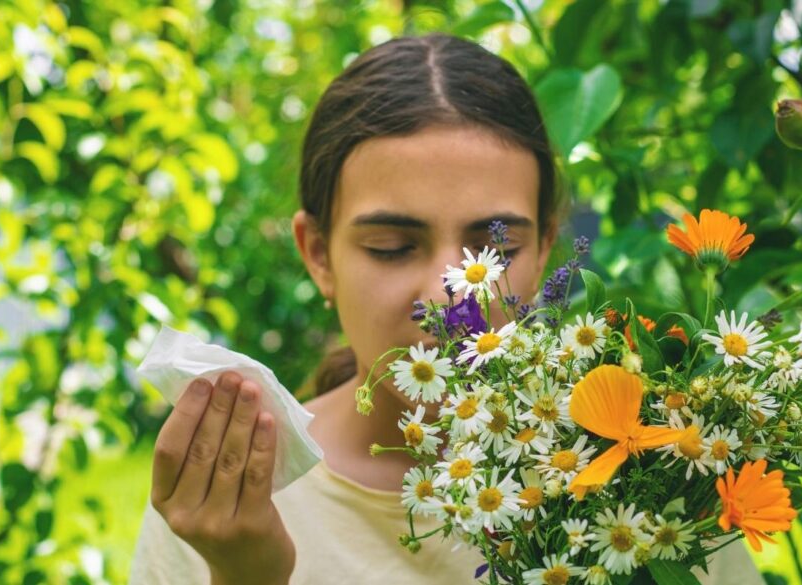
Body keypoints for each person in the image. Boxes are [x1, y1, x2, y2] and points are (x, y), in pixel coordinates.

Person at [129, 33, 765, 585]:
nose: (446, 296)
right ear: (318, 254)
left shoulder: (647, 472)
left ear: (544, 248)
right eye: (392, 247)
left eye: (495, 248)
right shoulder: (232, 501)